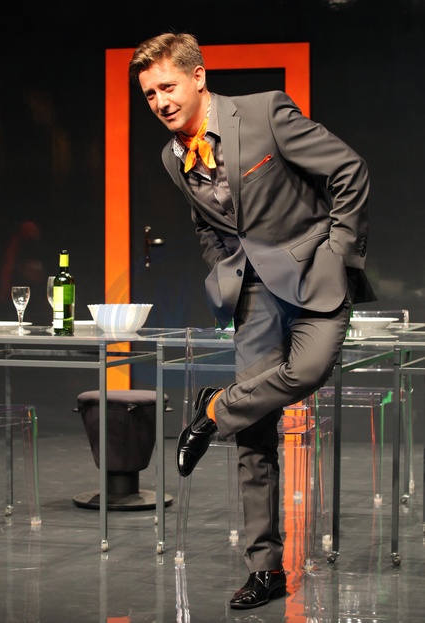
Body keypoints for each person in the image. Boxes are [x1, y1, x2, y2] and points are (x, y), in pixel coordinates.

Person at [129, 32, 374, 610]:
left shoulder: (265, 113)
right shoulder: (171, 157)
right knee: (255, 430)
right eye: (149, 94)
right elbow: (208, 225)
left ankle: (215, 409)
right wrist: (225, 273)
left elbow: (349, 170)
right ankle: (265, 569)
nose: (160, 101)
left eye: (167, 87)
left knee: (308, 370)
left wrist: (338, 253)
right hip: (254, 293)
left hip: (315, 272)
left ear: (198, 77)